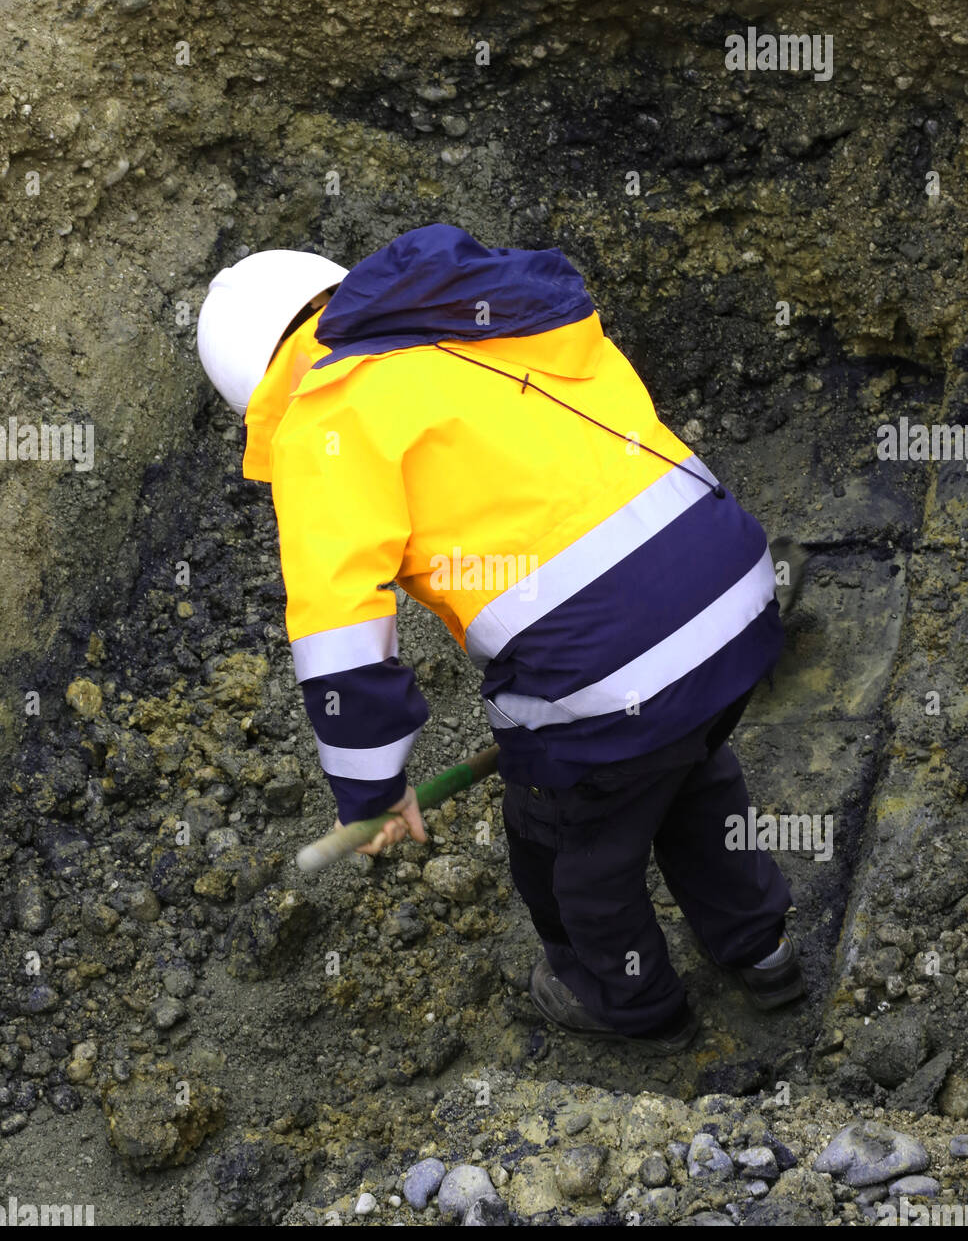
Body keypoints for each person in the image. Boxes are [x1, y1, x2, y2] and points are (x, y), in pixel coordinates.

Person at [197, 223, 803, 1055]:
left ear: (253, 384)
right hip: (734, 596)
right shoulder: (480, 321)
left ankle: (631, 1005)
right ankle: (763, 949)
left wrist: (371, 794)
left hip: (607, 666)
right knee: (687, 768)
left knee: (567, 849)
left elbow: (340, 632)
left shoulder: (324, 416)